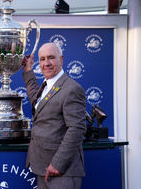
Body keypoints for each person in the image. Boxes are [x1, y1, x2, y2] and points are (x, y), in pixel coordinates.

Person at [22, 43, 86, 189]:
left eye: (51, 58)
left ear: (61, 60)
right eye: (42, 59)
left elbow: (76, 129)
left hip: (62, 171)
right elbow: (37, 102)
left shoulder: (72, 89)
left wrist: (57, 164)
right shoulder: (47, 85)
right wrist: (28, 71)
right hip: (43, 168)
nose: (46, 63)